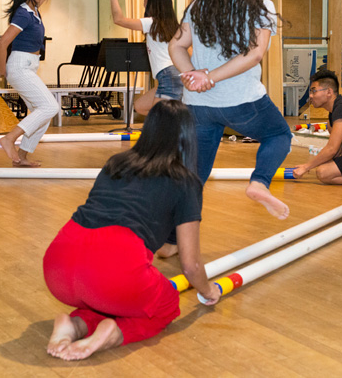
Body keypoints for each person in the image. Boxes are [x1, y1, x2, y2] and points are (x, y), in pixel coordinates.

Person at [42, 100, 220, 361]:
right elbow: (190, 265)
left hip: (58, 262)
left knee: (105, 298)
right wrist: (208, 291)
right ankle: (114, 333)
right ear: (187, 136)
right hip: (112, 267)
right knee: (165, 305)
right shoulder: (185, 181)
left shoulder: (117, 162)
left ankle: (75, 325)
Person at [168, 0, 293, 229]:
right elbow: (254, 55)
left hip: (199, 105)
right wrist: (206, 76)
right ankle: (259, 183)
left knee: (195, 176)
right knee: (279, 135)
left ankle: (172, 240)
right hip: (242, 101)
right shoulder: (261, 5)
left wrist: (193, 76)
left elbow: (175, 47)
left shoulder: (200, 3)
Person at [0, 0, 60, 167]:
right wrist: (2, 70)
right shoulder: (23, 13)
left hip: (29, 66)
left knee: (43, 115)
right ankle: (9, 138)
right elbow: (1, 44)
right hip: (20, 67)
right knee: (50, 106)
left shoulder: (34, 9)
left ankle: (21, 157)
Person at [109, 0, 183, 115]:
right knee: (140, 106)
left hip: (168, 76)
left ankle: (174, 132)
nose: (143, 0)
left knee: (159, 117)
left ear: (150, 2)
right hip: (171, 76)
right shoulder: (172, 25)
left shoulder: (151, 23)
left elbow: (118, 19)